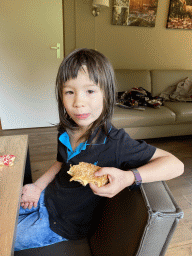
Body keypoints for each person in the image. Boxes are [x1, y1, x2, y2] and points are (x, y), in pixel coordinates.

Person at [14, 48, 184, 251]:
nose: (78, 102)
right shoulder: (66, 129)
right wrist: (37, 187)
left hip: (64, 224)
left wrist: (129, 178)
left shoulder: (116, 143)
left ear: (107, 94)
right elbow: (60, 163)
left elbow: (176, 165)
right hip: (47, 197)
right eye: (70, 92)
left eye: (90, 91)